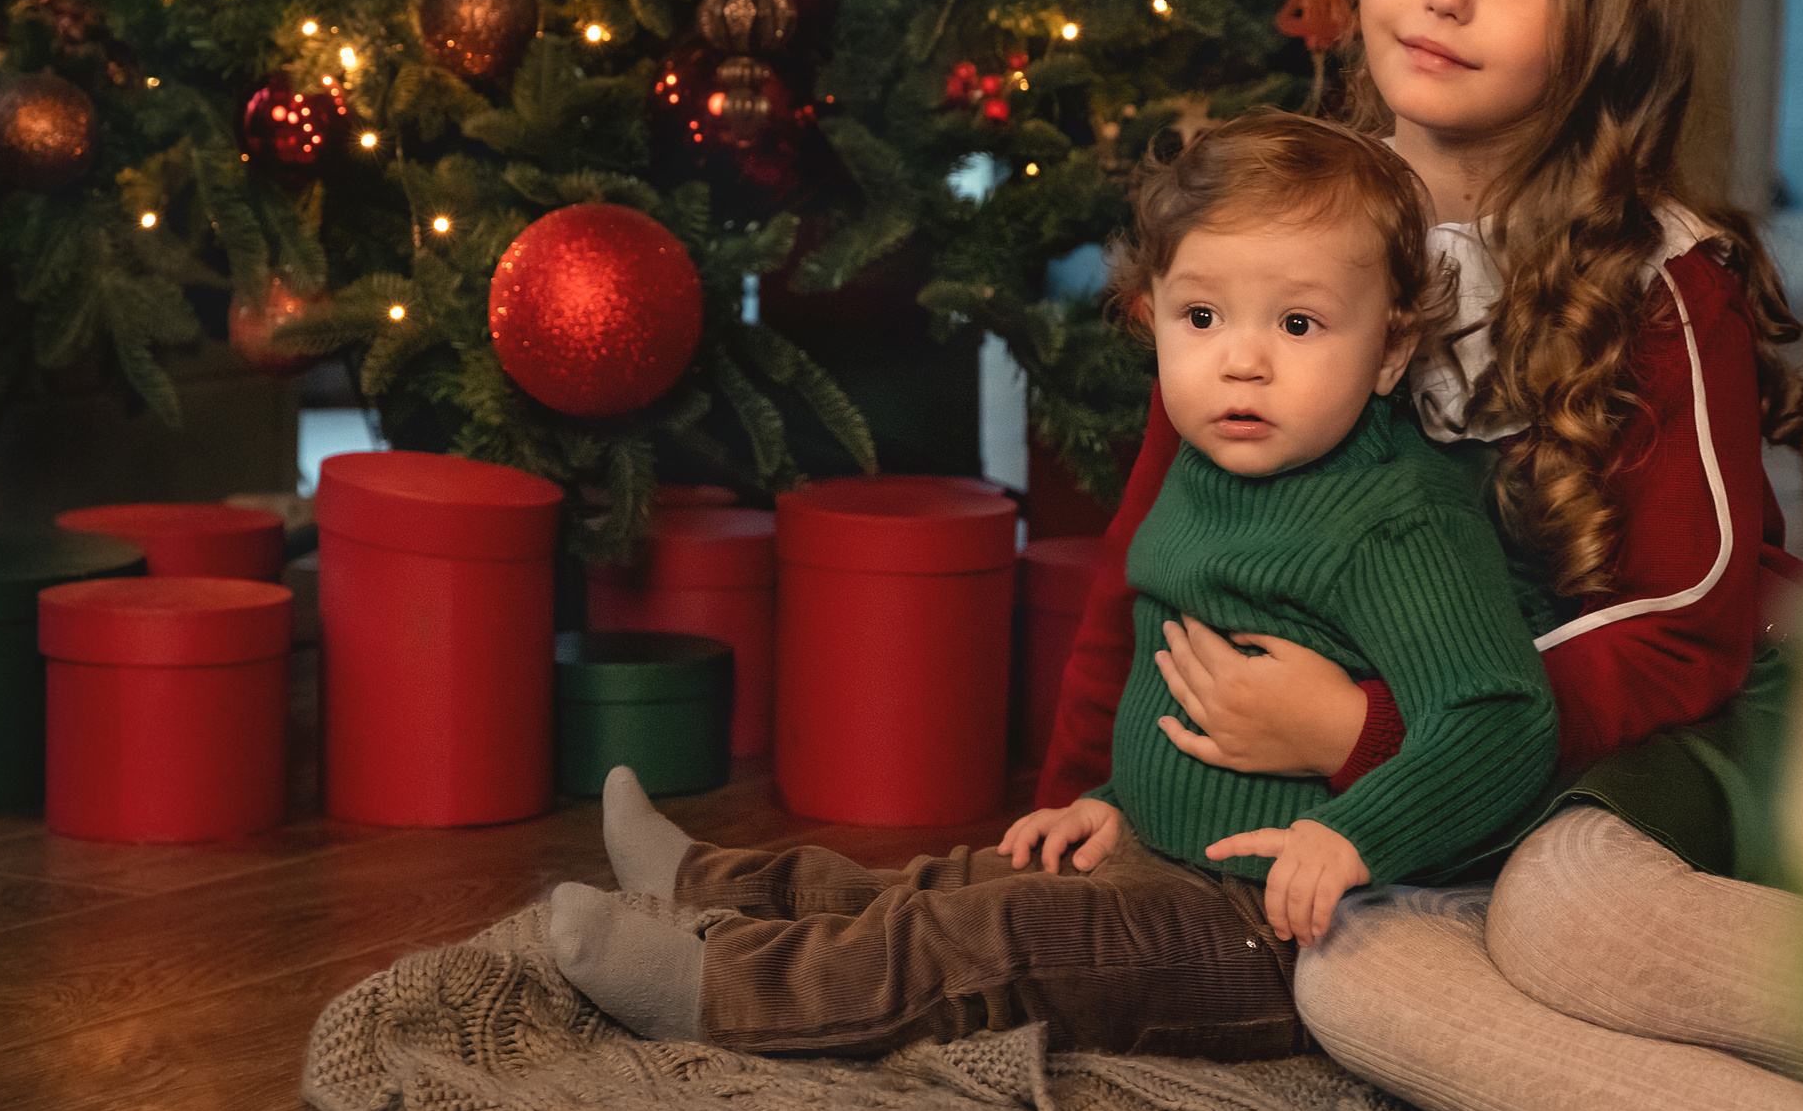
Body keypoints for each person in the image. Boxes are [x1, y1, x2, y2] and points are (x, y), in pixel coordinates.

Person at [1037, 0, 1803, 1111]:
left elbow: (1688, 627)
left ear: (1609, 25)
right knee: (1351, 989)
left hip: (1665, 738)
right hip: (1413, 796)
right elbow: (1151, 553)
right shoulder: (1289, 236)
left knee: (1575, 923)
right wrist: (1085, 797)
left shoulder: (1663, 282)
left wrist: (1370, 731)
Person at [546, 112, 1557, 1062]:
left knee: (981, 938)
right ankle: (705, 882)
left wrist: (1355, 834)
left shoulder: (1396, 519)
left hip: (1262, 926)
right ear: (1152, 315)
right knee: (949, 879)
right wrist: (1114, 802)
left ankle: (725, 992)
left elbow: (1501, 722)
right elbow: (1179, 689)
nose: (1241, 361)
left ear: (1387, 351)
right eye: (1202, 315)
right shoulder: (1209, 469)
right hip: (1160, 856)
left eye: (1298, 324)